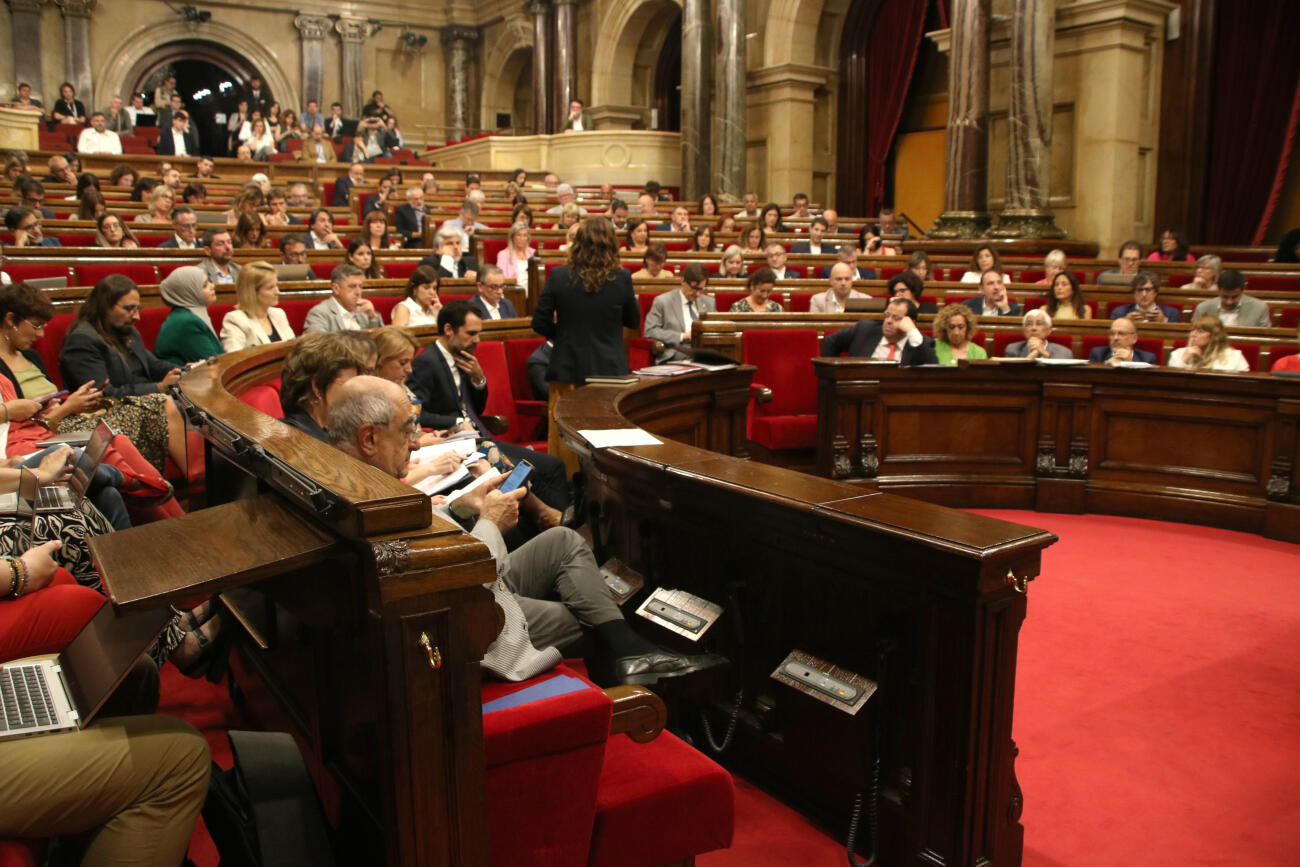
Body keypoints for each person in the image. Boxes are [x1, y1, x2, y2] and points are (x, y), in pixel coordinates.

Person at [328, 376, 723, 685]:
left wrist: (461, 506)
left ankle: (631, 653)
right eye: (406, 428)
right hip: (462, 611)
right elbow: (458, 575)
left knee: (563, 540)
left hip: (459, 574)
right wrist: (489, 522)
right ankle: (623, 676)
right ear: (369, 437)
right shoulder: (368, 499)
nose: (415, 442)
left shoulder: (350, 473)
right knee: (581, 615)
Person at [407, 301, 572, 529]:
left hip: (481, 438)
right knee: (521, 473)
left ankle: (562, 527)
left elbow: (478, 408)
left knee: (553, 465)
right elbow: (417, 414)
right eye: (471, 333)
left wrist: (478, 378)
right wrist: (455, 423)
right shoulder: (427, 362)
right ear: (448, 330)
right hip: (460, 445)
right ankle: (546, 520)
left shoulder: (463, 356)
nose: (477, 340)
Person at [56, 276, 190, 472]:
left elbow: (154, 365)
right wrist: (158, 388)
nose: (136, 316)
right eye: (129, 309)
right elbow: (103, 394)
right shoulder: (82, 341)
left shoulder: (125, 330)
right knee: (176, 405)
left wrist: (186, 371)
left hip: (142, 401)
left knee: (193, 402)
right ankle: (198, 480)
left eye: (138, 309)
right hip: (108, 412)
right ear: (104, 306)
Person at [532, 218, 641, 380]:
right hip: (609, 368)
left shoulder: (558, 275)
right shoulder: (622, 277)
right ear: (611, 244)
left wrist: (562, 334)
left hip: (568, 366)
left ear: (578, 243)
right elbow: (633, 321)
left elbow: (539, 322)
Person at [822, 298, 938, 364]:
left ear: (910, 322)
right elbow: (831, 341)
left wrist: (912, 332)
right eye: (887, 315)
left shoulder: (918, 342)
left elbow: (933, 370)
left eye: (896, 318)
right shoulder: (864, 330)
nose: (888, 321)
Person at [644, 262, 716, 362]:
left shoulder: (709, 303)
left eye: (701, 289)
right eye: (694, 288)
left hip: (705, 349)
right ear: (683, 280)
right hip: (677, 351)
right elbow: (650, 331)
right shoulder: (663, 302)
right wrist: (683, 336)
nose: (698, 294)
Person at [154, 266, 223, 367]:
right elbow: (213, 362)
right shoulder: (186, 322)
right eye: (204, 285)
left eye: (209, 282)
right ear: (188, 292)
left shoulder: (189, 315)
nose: (212, 286)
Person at [221, 261, 293, 351]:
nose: (277, 292)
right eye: (271, 288)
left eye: (276, 285)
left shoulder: (279, 314)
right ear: (252, 292)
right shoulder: (235, 320)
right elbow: (235, 358)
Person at [304, 264, 383, 332]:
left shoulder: (365, 312)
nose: (358, 292)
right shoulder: (320, 314)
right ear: (336, 288)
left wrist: (373, 317)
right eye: (352, 286)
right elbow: (317, 346)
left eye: (360, 286)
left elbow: (383, 343)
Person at [1191, 269, 1271, 328]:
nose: (1229, 302)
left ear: (1242, 290)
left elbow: (1265, 339)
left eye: (1235, 297)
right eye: (1225, 297)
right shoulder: (1203, 308)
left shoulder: (1259, 308)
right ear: (1218, 290)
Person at [1168, 316, 1251, 372]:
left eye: (1200, 331)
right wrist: (1184, 361)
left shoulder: (1234, 357)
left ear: (1214, 336)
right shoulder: (1178, 354)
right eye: (1192, 330)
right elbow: (1171, 382)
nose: (1193, 335)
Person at [1110, 272, 1181, 323]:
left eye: (1148, 290)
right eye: (1139, 290)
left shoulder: (1171, 313)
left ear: (1155, 292)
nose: (1144, 294)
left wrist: (1164, 321)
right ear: (1134, 293)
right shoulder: (1120, 313)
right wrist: (1126, 322)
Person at [1002, 310, 1073, 359]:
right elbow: (1012, 376)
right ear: (1024, 330)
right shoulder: (1013, 349)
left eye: (1039, 324)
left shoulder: (1064, 352)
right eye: (1029, 324)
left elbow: (1060, 376)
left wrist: (1045, 354)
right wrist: (1031, 357)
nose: (1033, 328)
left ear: (1049, 329)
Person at [1088, 317, 1158, 365]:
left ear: (1134, 338)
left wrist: (1129, 364)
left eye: (1121, 334)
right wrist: (1107, 366)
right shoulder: (1098, 354)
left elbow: (1147, 383)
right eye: (1112, 333)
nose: (1115, 338)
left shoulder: (1147, 358)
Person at [497, 222, 536, 290]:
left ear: (528, 238)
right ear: (512, 237)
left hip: (532, 284)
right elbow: (500, 277)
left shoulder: (533, 253)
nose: (522, 238)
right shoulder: (503, 254)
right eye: (518, 235)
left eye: (525, 235)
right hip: (514, 287)